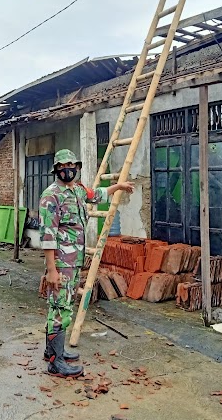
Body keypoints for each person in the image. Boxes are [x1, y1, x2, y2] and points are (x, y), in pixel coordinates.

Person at [39, 149, 134, 378]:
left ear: (77, 167)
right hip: (61, 264)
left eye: (71, 165)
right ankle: (55, 362)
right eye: (62, 166)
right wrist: (51, 270)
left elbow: (97, 194)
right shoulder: (51, 196)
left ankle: (52, 350)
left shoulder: (78, 190)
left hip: (73, 262)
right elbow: (48, 235)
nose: (67, 169)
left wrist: (118, 187)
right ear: (56, 170)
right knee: (60, 308)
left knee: (63, 305)